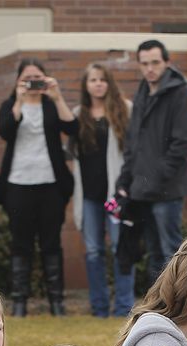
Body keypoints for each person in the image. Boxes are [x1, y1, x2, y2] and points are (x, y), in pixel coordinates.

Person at [0, 59, 77, 318]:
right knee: (21, 243)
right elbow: (5, 130)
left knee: (51, 243)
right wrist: (18, 100)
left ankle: (56, 302)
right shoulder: (10, 105)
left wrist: (57, 95)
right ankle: (19, 302)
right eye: (27, 78)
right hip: (17, 183)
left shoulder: (51, 105)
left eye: (37, 77)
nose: (33, 83)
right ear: (18, 81)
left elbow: (72, 127)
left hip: (51, 184)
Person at [115, 39, 187, 283]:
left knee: (171, 253)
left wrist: (157, 176)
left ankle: (178, 307)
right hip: (142, 190)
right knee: (153, 253)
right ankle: (158, 310)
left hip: (167, 189)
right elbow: (134, 142)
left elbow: (185, 141)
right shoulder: (142, 91)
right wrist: (125, 179)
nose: (150, 68)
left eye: (155, 62)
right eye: (144, 64)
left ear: (167, 63)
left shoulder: (181, 92)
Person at [61, 62, 134, 318]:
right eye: (93, 80)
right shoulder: (78, 113)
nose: (98, 84)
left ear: (109, 82)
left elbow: (133, 151)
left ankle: (124, 307)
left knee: (119, 248)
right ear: (86, 85)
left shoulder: (124, 109)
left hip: (116, 194)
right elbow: (68, 143)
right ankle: (99, 307)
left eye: (103, 79)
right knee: (93, 251)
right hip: (89, 195)